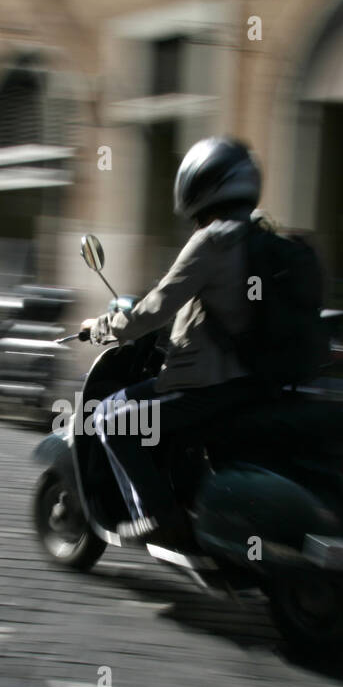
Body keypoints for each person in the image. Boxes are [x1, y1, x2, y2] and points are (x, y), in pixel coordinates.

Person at [81, 136, 272, 548]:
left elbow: (155, 309)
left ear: (199, 186)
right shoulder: (266, 237)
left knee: (111, 419)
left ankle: (158, 516)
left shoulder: (213, 240)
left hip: (206, 385)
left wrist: (104, 327)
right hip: (257, 383)